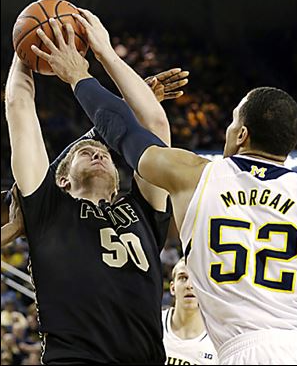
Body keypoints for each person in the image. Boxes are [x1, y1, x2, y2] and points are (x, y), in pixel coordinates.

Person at [31, 10, 297, 365]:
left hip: (242, 350)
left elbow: (128, 132)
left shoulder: (197, 174)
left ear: (242, 134)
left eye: (233, 122)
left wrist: (86, 70)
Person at [5, 33, 190, 364]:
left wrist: (107, 56)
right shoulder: (47, 207)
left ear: (120, 181)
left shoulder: (143, 210)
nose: (97, 152)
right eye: (85, 150)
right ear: (62, 179)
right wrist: (26, 48)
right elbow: (18, 106)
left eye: (103, 151)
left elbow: (155, 124)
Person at [162, 257, 218, 365]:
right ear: (172, 288)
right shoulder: (155, 325)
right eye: (183, 278)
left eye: (196, 279)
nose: (189, 285)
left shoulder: (217, 338)